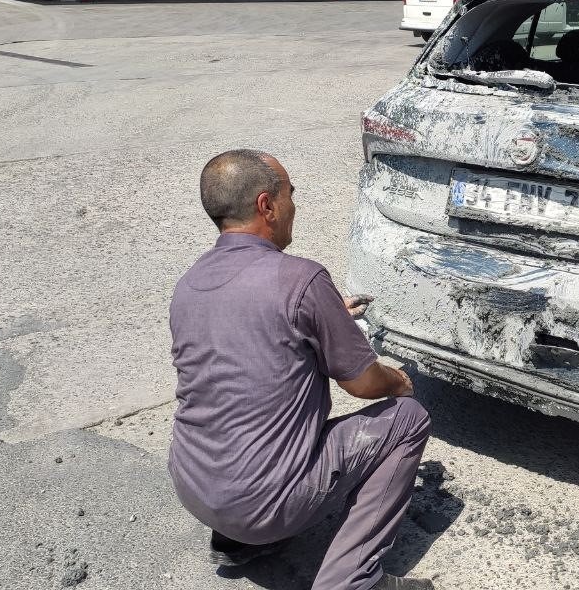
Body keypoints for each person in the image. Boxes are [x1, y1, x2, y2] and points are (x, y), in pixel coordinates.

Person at [169, 150, 435, 590]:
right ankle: (352, 581)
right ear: (266, 205)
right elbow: (364, 385)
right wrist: (401, 381)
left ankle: (235, 543)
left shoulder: (190, 283)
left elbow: (250, 339)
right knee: (407, 420)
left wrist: (327, 316)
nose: (295, 205)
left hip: (194, 487)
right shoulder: (301, 279)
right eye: (290, 194)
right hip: (263, 505)